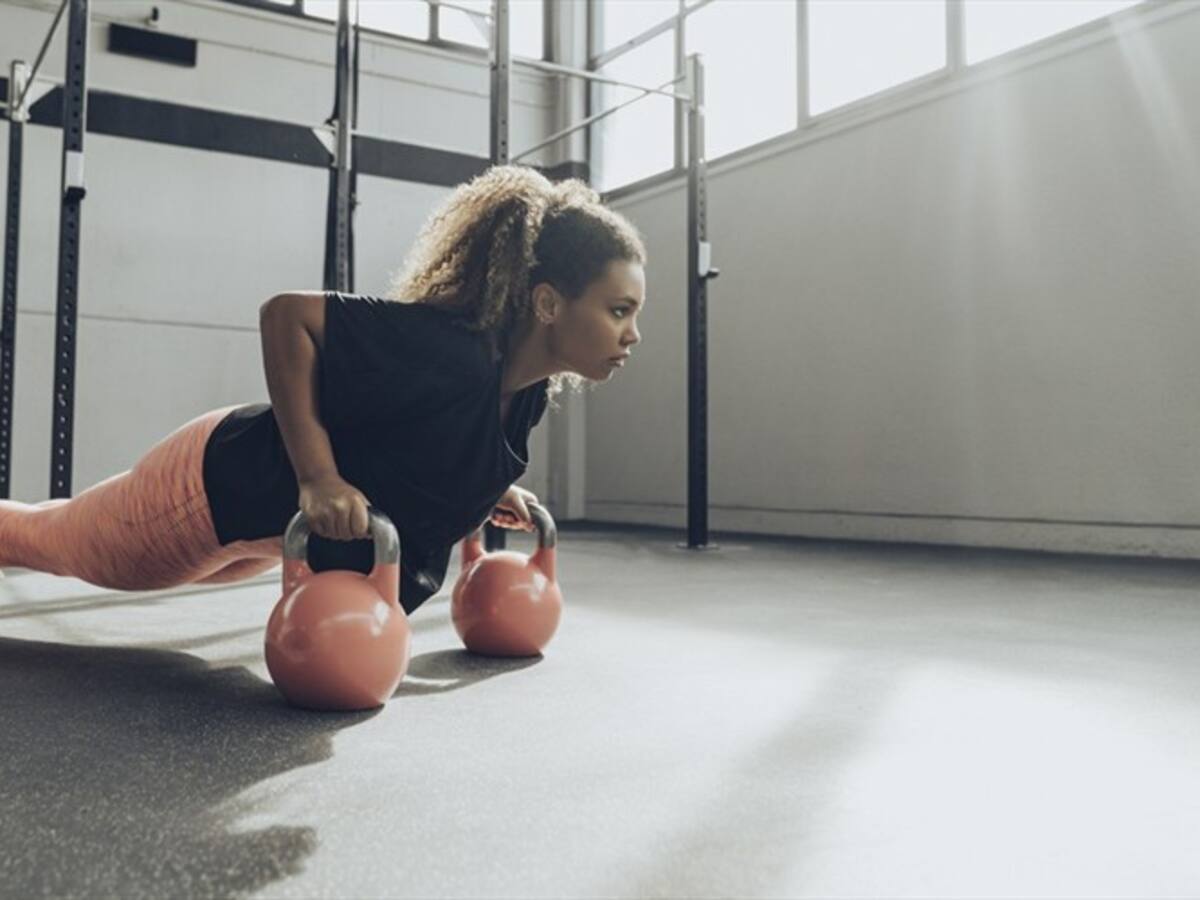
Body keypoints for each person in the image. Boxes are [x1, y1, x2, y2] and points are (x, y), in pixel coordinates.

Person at [0, 165, 646, 615]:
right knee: (40, 539)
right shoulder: (450, 346)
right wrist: (318, 479)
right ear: (548, 303)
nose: (632, 334)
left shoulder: (522, 389)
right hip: (204, 487)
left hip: (253, 524)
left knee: (44, 533)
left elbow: (422, 436)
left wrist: (488, 485)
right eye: (619, 310)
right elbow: (288, 315)